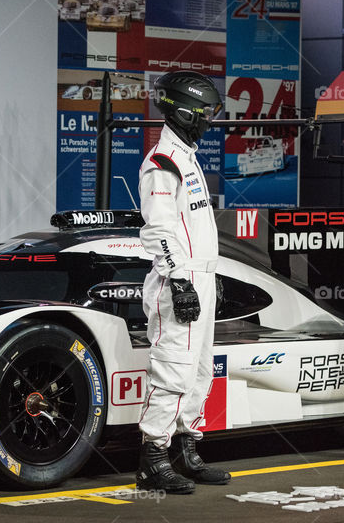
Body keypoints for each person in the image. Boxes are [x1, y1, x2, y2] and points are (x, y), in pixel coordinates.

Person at [135, 71, 231, 493]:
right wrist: (179, 280)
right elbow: (159, 230)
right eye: (206, 110)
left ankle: (185, 450)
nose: (210, 118)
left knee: (200, 372)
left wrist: (210, 275)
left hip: (199, 277)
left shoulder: (187, 156)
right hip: (177, 280)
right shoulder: (161, 162)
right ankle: (152, 460)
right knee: (173, 370)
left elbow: (193, 229)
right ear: (185, 109)